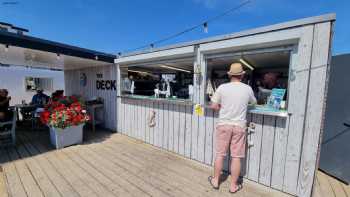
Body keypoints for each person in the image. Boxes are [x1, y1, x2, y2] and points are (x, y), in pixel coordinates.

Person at [208, 63, 257, 193]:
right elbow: (254, 103)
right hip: (239, 126)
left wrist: (221, 108)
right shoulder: (247, 88)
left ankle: (215, 181)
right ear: (242, 75)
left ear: (230, 75)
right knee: (236, 156)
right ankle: (233, 186)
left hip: (224, 124)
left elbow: (213, 106)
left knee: (220, 154)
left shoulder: (222, 87)